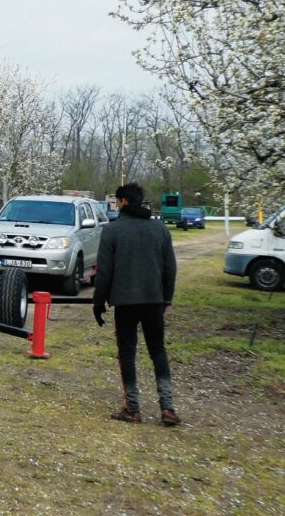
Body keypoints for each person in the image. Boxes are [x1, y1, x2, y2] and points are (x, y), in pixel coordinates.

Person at [92, 182, 182, 426]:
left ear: (123, 202)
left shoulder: (113, 231)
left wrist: (98, 302)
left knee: (127, 353)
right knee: (158, 351)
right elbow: (170, 268)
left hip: (125, 302)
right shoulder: (160, 229)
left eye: (117, 202)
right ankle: (168, 408)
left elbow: (104, 272)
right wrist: (167, 299)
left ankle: (133, 408)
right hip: (154, 300)